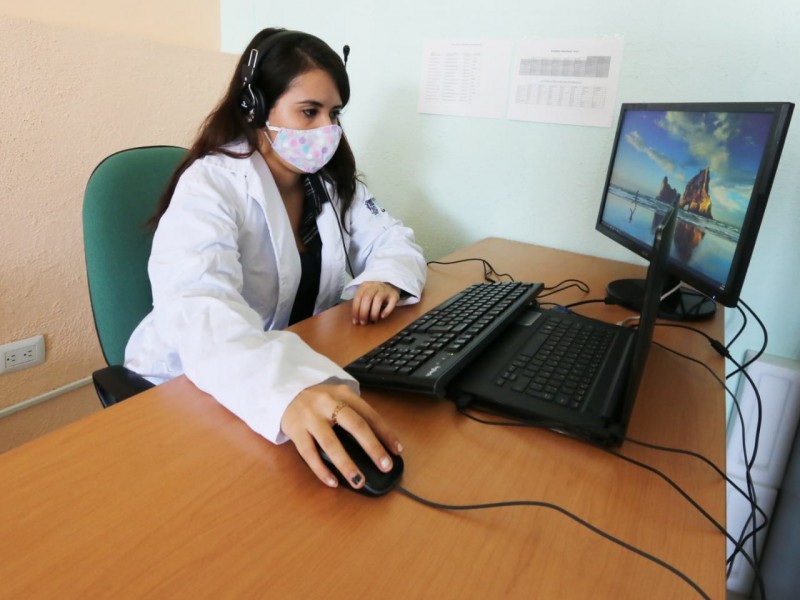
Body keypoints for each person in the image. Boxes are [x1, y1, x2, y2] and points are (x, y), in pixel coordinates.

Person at [124, 28, 427, 491]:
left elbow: (393, 239)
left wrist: (385, 276)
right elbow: (200, 306)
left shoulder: (329, 183)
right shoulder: (210, 186)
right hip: (188, 381)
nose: (327, 129)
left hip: (285, 368)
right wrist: (286, 390)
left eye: (334, 113)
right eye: (309, 111)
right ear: (255, 107)